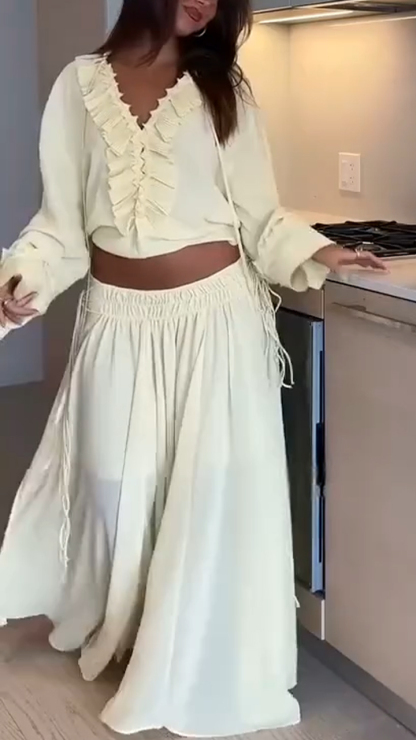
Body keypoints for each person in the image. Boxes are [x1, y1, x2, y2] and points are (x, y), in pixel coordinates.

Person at [0, 0, 385, 736]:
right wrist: (23, 280)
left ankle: (197, 663)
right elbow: (59, 224)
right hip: (116, 321)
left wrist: (320, 250)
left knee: (209, 495)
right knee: (112, 485)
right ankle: (129, 631)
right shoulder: (79, 86)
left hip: (217, 322)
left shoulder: (224, 87)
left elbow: (260, 216)